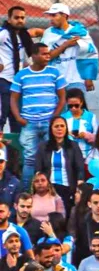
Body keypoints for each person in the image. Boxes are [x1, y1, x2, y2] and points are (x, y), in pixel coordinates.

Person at [10, 44, 66, 190]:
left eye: (48, 53)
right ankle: (25, 194)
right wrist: (18, 117)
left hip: (49, 122)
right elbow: (13, 98)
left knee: (50, 158)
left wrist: (55, 117)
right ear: (34, 56)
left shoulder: (54, 72)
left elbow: (62, 97)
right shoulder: (21, 75)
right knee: (29, 159)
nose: (48, 56)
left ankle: (51, 192)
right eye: (44, 54)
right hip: (29, 123)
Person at [0, 6, 39, 133]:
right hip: (3, 80)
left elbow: (36, 36)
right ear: (9, 19)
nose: (20, 20)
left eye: (22, 18)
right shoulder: (3, 34)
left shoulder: (24, 36)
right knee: (2, 116)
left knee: (17, 119)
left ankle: (15, 152)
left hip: (18, 82)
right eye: (16, 18)